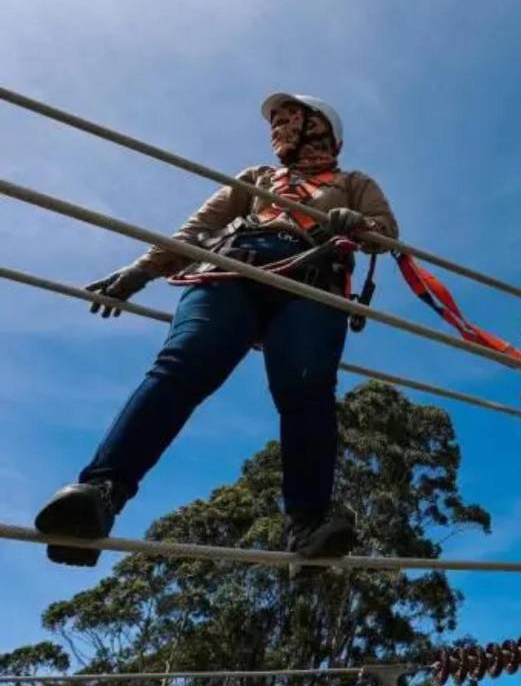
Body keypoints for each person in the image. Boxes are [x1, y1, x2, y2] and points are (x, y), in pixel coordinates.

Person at [35, 93, 399, 567]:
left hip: (312, 278)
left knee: (308, 388)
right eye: (276, 123)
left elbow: (386, 233)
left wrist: (359, 224)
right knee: (181, 365)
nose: (279, 129)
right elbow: (197, 228)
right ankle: (99, 493)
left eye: (290, 120)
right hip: (231, 270)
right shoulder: (256, 179)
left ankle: (308, 526)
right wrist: (142, 270)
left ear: (320, 129)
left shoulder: (353, 182)